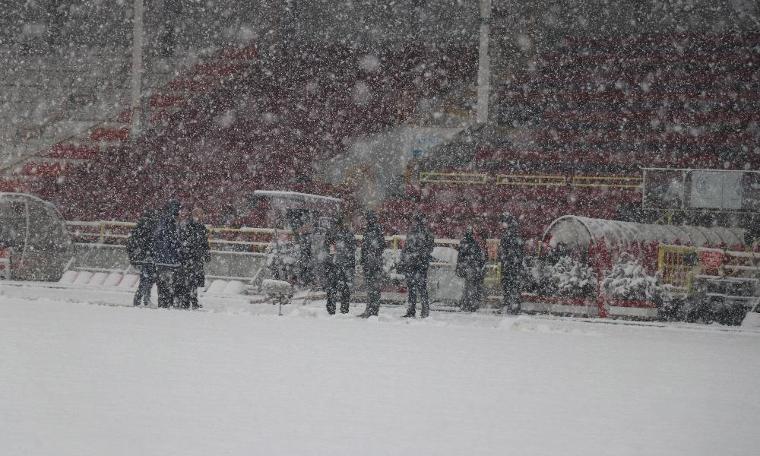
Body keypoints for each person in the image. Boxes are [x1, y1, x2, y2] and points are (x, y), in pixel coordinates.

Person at [399, 213, 435, 318]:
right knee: (417, 288)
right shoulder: (424, 232)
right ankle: (421, 310)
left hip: (416, 263)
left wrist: (408, 258)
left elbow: (407, 248)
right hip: (417, 263)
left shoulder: (416, 233)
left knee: (416, 288)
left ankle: (415, 310)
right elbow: (407, 248)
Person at [177, 206, 211, 310]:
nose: (201, 217)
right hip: (190, 257)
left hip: (196, 257)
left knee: (194, 281)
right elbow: (185, 242)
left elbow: (204, 242)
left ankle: (193, 300)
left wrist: (206, 253)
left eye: (202, 214)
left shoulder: (200, 227)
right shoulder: (189, 226)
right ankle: (187, 300)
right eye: (198, 214)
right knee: (189, 280)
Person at [323, 216, 356, 315]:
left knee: (333, 288)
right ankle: (343, 309)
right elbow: (351, 249)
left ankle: (332, 309)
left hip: (335, 264)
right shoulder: (346, 234)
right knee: (343, 288)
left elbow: (327, 249)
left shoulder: (332, 234)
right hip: (342, 264)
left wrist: (330, 260)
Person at [153, 199, 182, 308]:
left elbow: (158, 239)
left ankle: (163, 303)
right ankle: (167, 304)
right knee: (169, 285)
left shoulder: (162, 221)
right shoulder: (171, 223)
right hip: (171, 260)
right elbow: (171, 241)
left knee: (162, 285)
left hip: (161, 260)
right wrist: (178, 249)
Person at [127, 208, 158, 306]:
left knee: (145, 279)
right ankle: (144, 298)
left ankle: (139, 299)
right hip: (148, 257)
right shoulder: (151, 227)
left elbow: (132, 243)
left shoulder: (140, 227)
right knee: (148, 279)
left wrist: (133, 257)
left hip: (143, 257)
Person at [358, 210, 386, 318]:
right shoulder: (370, 230)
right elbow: (365, 247)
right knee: (371, 288)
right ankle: (370, 310)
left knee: (374, 288)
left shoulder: (376, 230)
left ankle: (373, 310)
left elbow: (381, 245)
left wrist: (371, 255)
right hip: (370, 263)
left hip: (374, 263)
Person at [498, 212, 525, 314]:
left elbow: (506, 250)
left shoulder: (509, 234)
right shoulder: (515, 232)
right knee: (513, 286)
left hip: (510, 265)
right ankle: (513, 306)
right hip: (513, 265)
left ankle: (510, 306)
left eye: (502, 222)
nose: (501, 225)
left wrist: (505, 258)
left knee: (509, 286)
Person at [456, 227, 486, 312]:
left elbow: (460, 257)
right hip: (472, 267)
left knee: (467, 286)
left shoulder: (463, 243)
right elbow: (478, 257)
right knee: (471, 286)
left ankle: (466, 304)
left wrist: (459, 267)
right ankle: (471, 304)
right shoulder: (474, 243)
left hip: (466, 267)